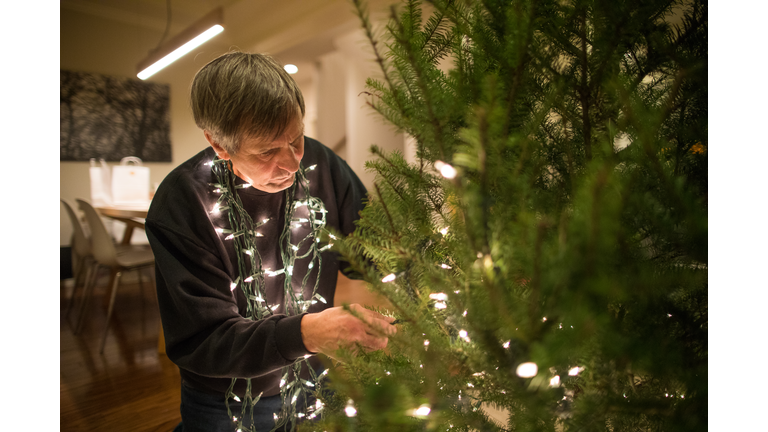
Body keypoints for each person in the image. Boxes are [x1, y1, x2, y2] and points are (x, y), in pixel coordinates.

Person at [145, 51, 396, 432]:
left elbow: (372, 251)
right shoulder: (182, 203)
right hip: (226, 400)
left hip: (313, 378)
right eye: (266, 151)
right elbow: (205, 339)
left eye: (296, 139)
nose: (293, 164)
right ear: (218, 143)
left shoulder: (322, 165)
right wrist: (307, 333)